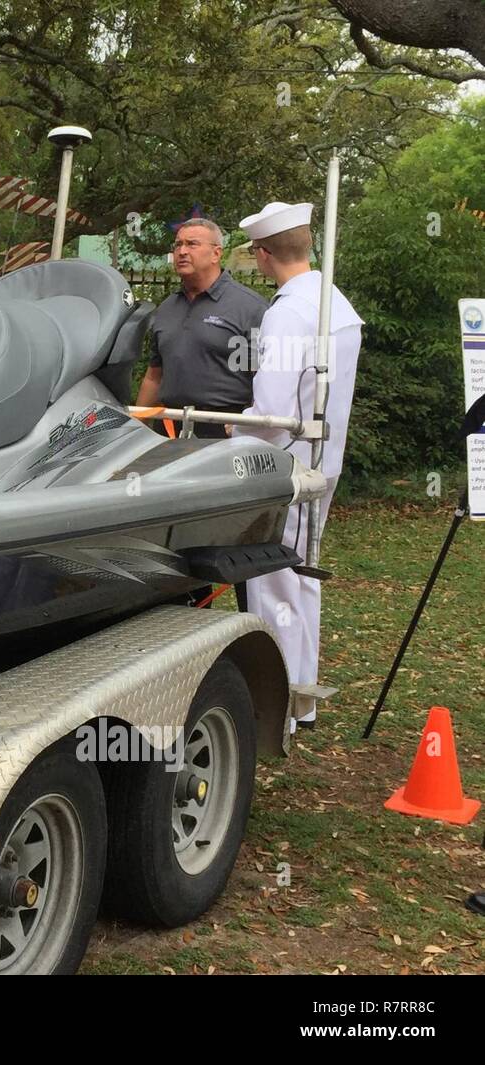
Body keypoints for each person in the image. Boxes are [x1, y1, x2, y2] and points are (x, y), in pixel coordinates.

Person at [232, 200, 363, 731]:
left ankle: (277, 708)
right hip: (323, 461)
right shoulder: (333, 303)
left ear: (264, 255)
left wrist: (229, 427)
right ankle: (301, 700)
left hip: (286, 466)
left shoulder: (287, 311)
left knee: (276, 584)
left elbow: (273, 413)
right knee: (303, 576)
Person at [135, 219, 268, 437]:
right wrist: (137, 427)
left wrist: (249, 431)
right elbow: (154, 376)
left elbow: (263, 380)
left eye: (192, 244)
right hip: (169, 429)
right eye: (178, 245)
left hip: (223, 429)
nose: (182, 252)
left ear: (216, 253)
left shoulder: (249, 308)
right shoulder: (167, 308)